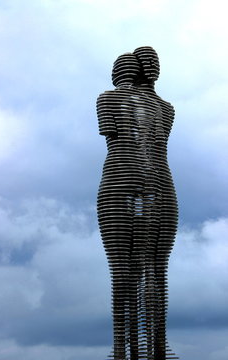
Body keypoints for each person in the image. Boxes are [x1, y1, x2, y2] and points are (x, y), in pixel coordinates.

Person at [97, 49, 178, 360]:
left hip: (122, 177)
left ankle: (124, 351)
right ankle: (154, 349)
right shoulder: (167, 109)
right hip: (162, 181)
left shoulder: (108, 98)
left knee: (123, 270)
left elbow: (112, 135)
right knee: (156, 268)